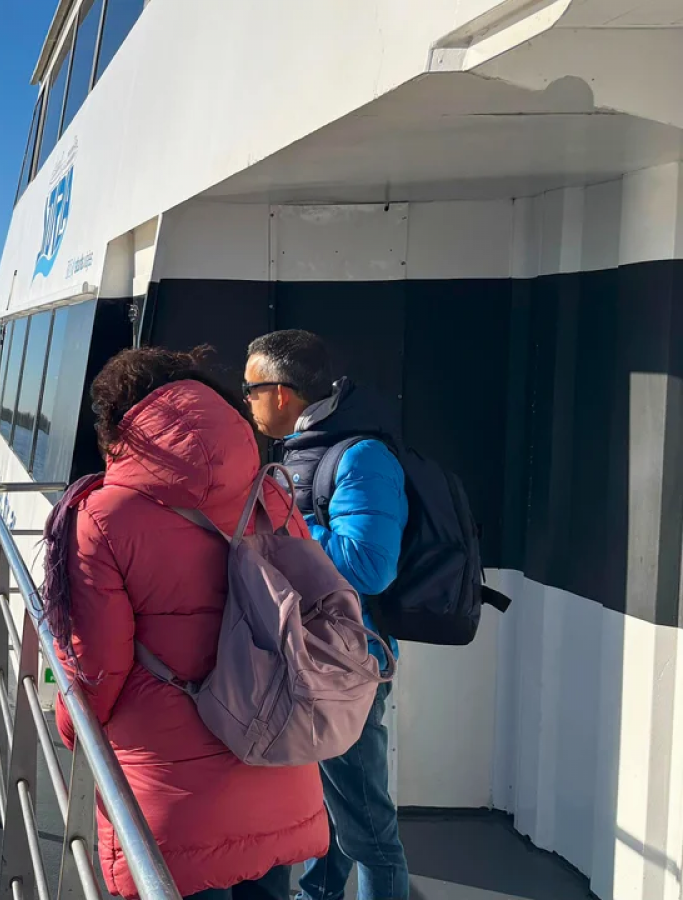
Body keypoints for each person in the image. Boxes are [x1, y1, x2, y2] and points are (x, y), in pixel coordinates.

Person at [45, 346, 328, 900]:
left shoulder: (102, 516)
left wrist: (70, 725)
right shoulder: (272, 491)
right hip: (278, 757)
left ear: (118, 423)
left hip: (174, 801)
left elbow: (94, 666)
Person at [243, 330, 410, 900]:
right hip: (310, 660)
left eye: (251, 390)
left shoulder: (361, 456)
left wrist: (283, 524)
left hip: (346, 665)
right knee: (324, 805)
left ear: (282, 393)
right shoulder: (302, 450)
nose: (246, 401)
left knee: (368, 829)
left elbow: (369, 566)